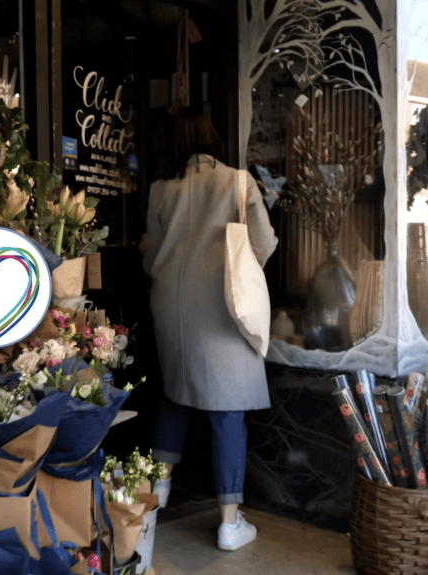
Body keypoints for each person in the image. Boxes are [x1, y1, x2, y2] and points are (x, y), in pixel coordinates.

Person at [141, 111, 277, 551]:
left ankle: (155, 493)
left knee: (177, 395)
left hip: (173, 307)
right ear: (210, 138)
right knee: (226, 409)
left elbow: (152, 253)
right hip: (223, 306)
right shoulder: (238, 182)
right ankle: (229, 521)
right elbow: (264, 244)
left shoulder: (161, 189)